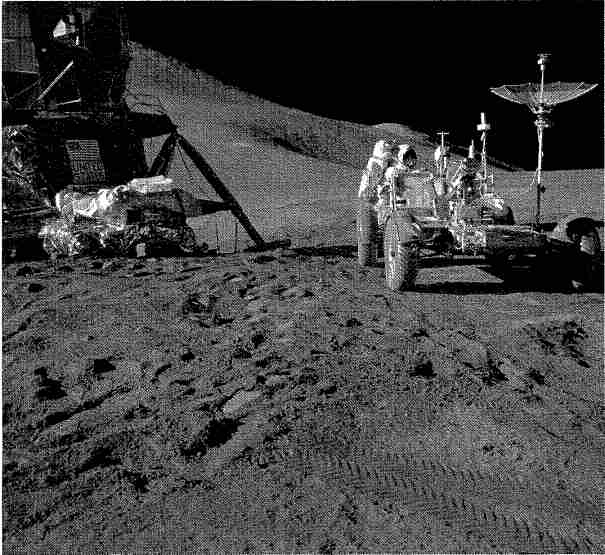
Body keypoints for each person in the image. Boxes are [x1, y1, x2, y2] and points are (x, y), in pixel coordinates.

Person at [358, 139, 395, 203]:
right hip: (381, 162)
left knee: (385, 148)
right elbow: (380, 178)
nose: (371, 194)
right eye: (370, 196)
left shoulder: (366, 184)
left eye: (369, 195)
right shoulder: (373, 186)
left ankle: (389, 145)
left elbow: (368, 172)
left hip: (378, 160)